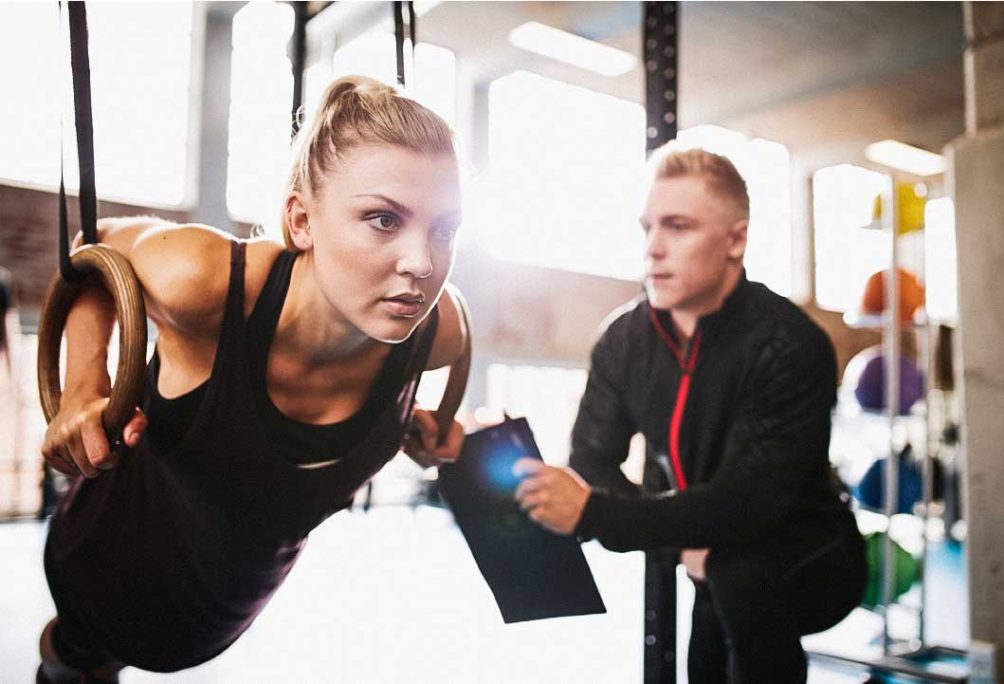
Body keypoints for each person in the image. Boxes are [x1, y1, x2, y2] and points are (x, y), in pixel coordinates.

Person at [38, 75, 467, 683]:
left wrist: (404, 423)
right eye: (382, 220)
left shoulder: (437, 335)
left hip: (221, 614)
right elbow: (93, 252)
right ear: (302, 220)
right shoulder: (205, 283)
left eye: (445, 229)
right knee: (80, 662)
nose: (423, 263)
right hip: (104, 573)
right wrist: (85, 389)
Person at [513, 146, 866, 683]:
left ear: (735, 240)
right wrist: (669, 537)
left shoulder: (790, 343)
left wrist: (598, 516)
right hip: (704, 548)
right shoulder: (623, 340)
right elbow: (593, 457)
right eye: (647, 227)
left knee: (738, 573)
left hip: (807, 550)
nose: (653, 248)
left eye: (678, 227)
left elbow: (749, 502)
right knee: (709, 639)